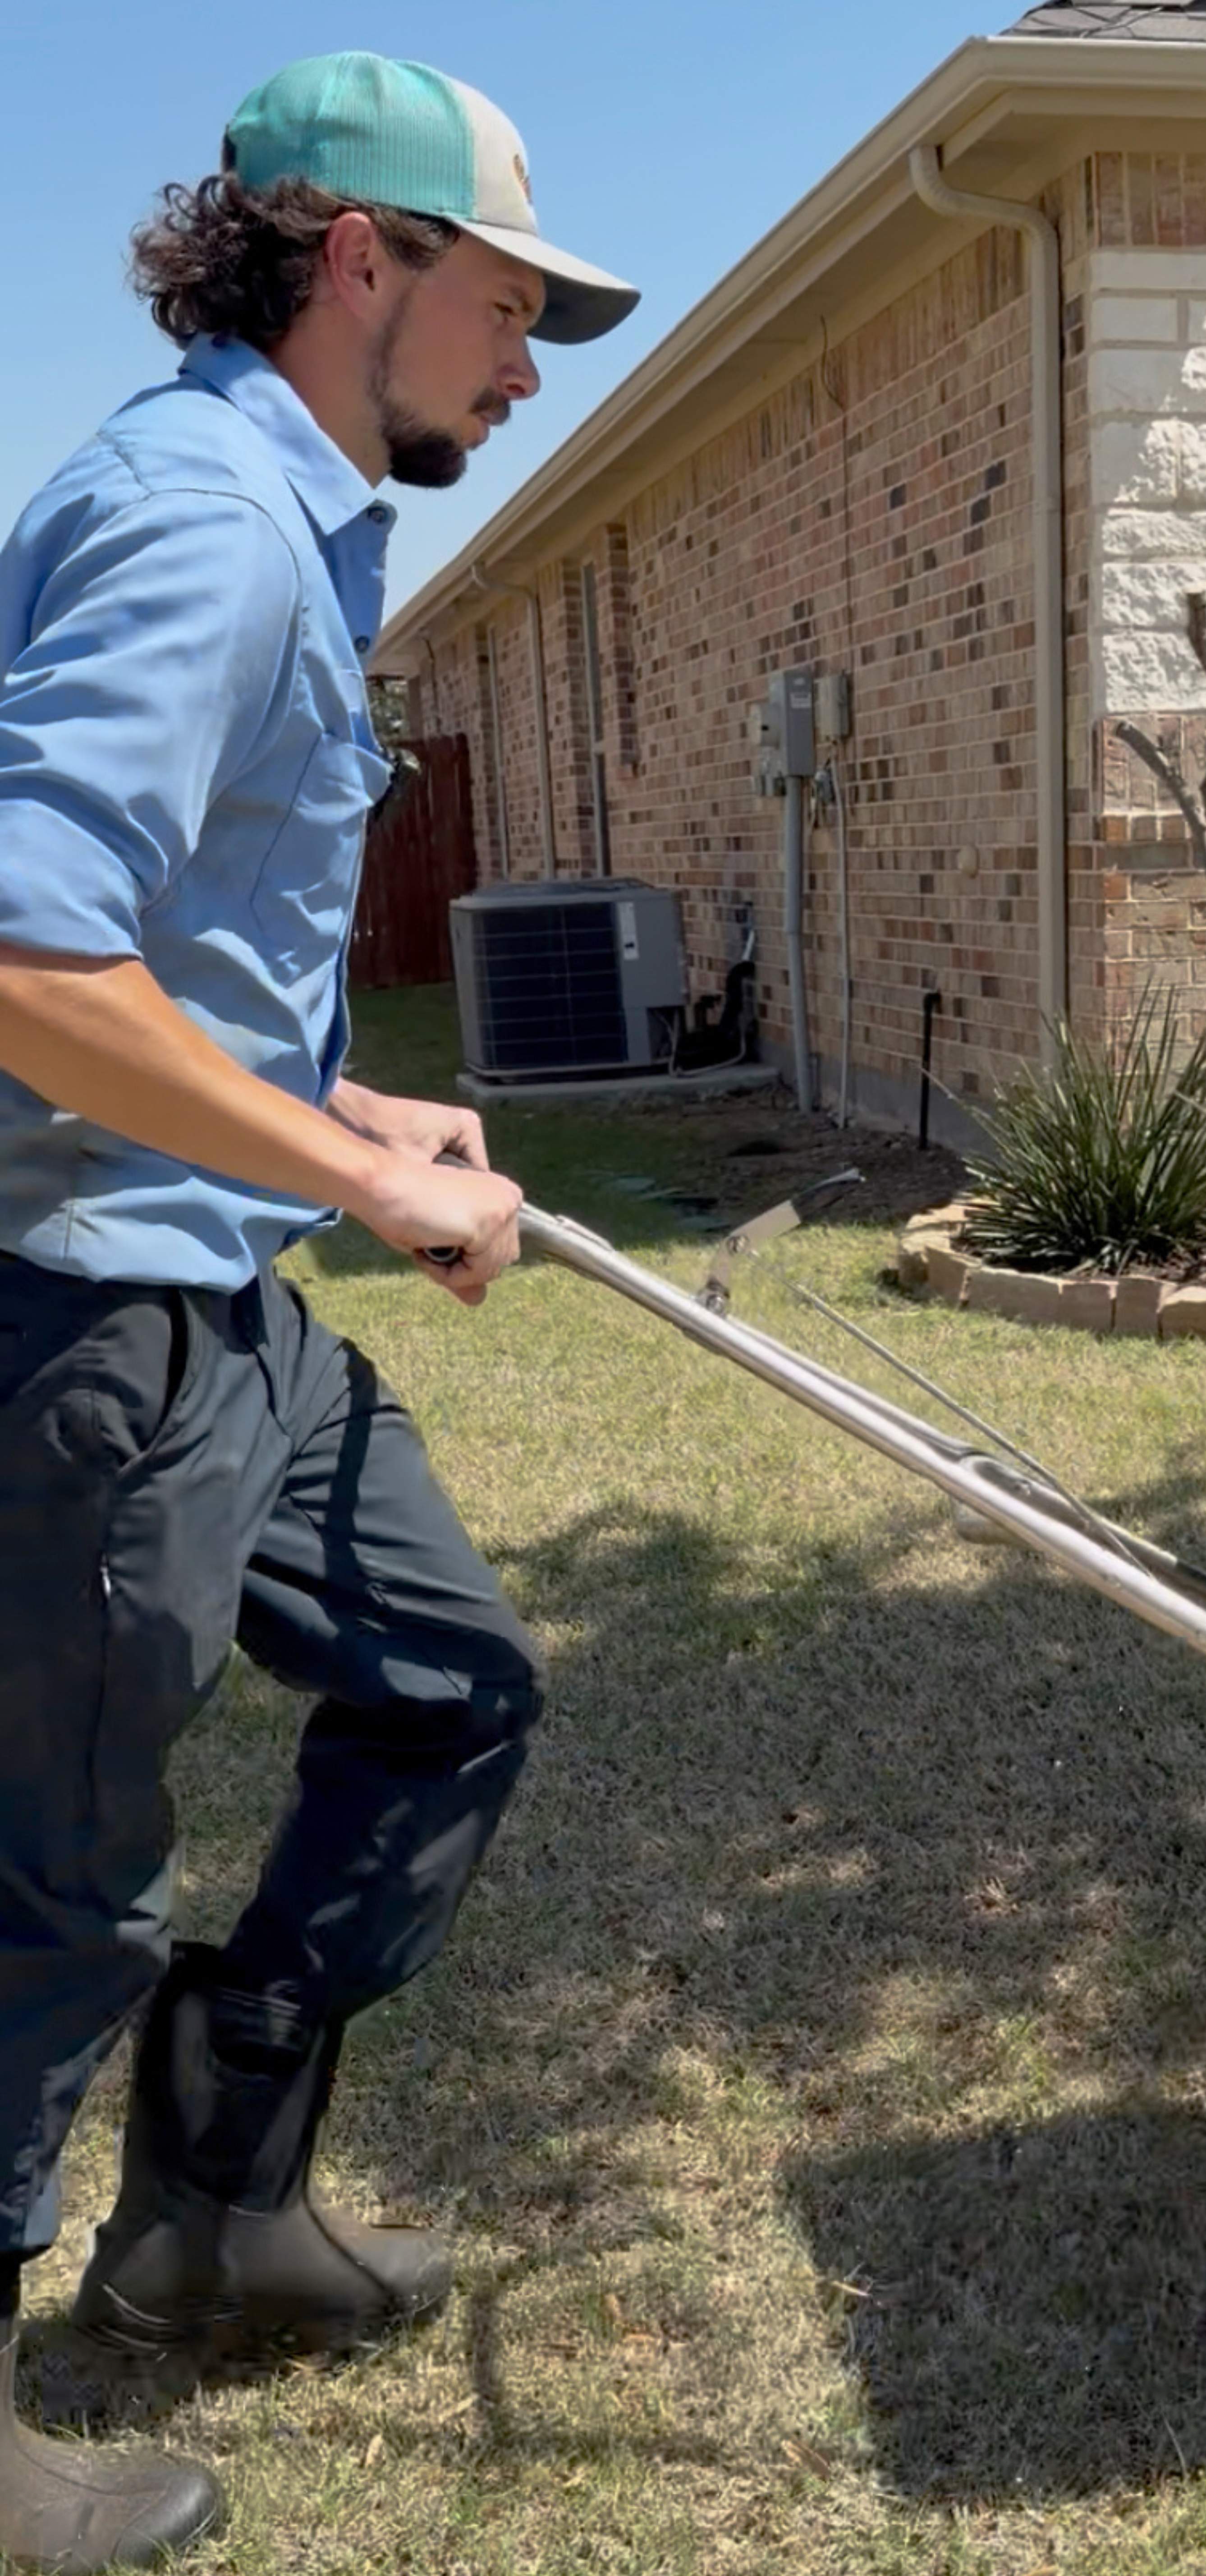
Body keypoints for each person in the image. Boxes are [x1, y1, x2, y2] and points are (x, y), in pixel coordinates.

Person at [0, 54, 637, 2570]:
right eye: (510, 301)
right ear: (353, 256)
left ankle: (211, 2213)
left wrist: (362, 1113)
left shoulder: (287, 511)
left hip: (215, 1298)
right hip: (76, 1328)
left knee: (452, 1679)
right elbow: (31, 962)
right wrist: (354, 1174)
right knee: (50, 1886)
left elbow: (186, 953)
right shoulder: (203, 525)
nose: (530, 357)